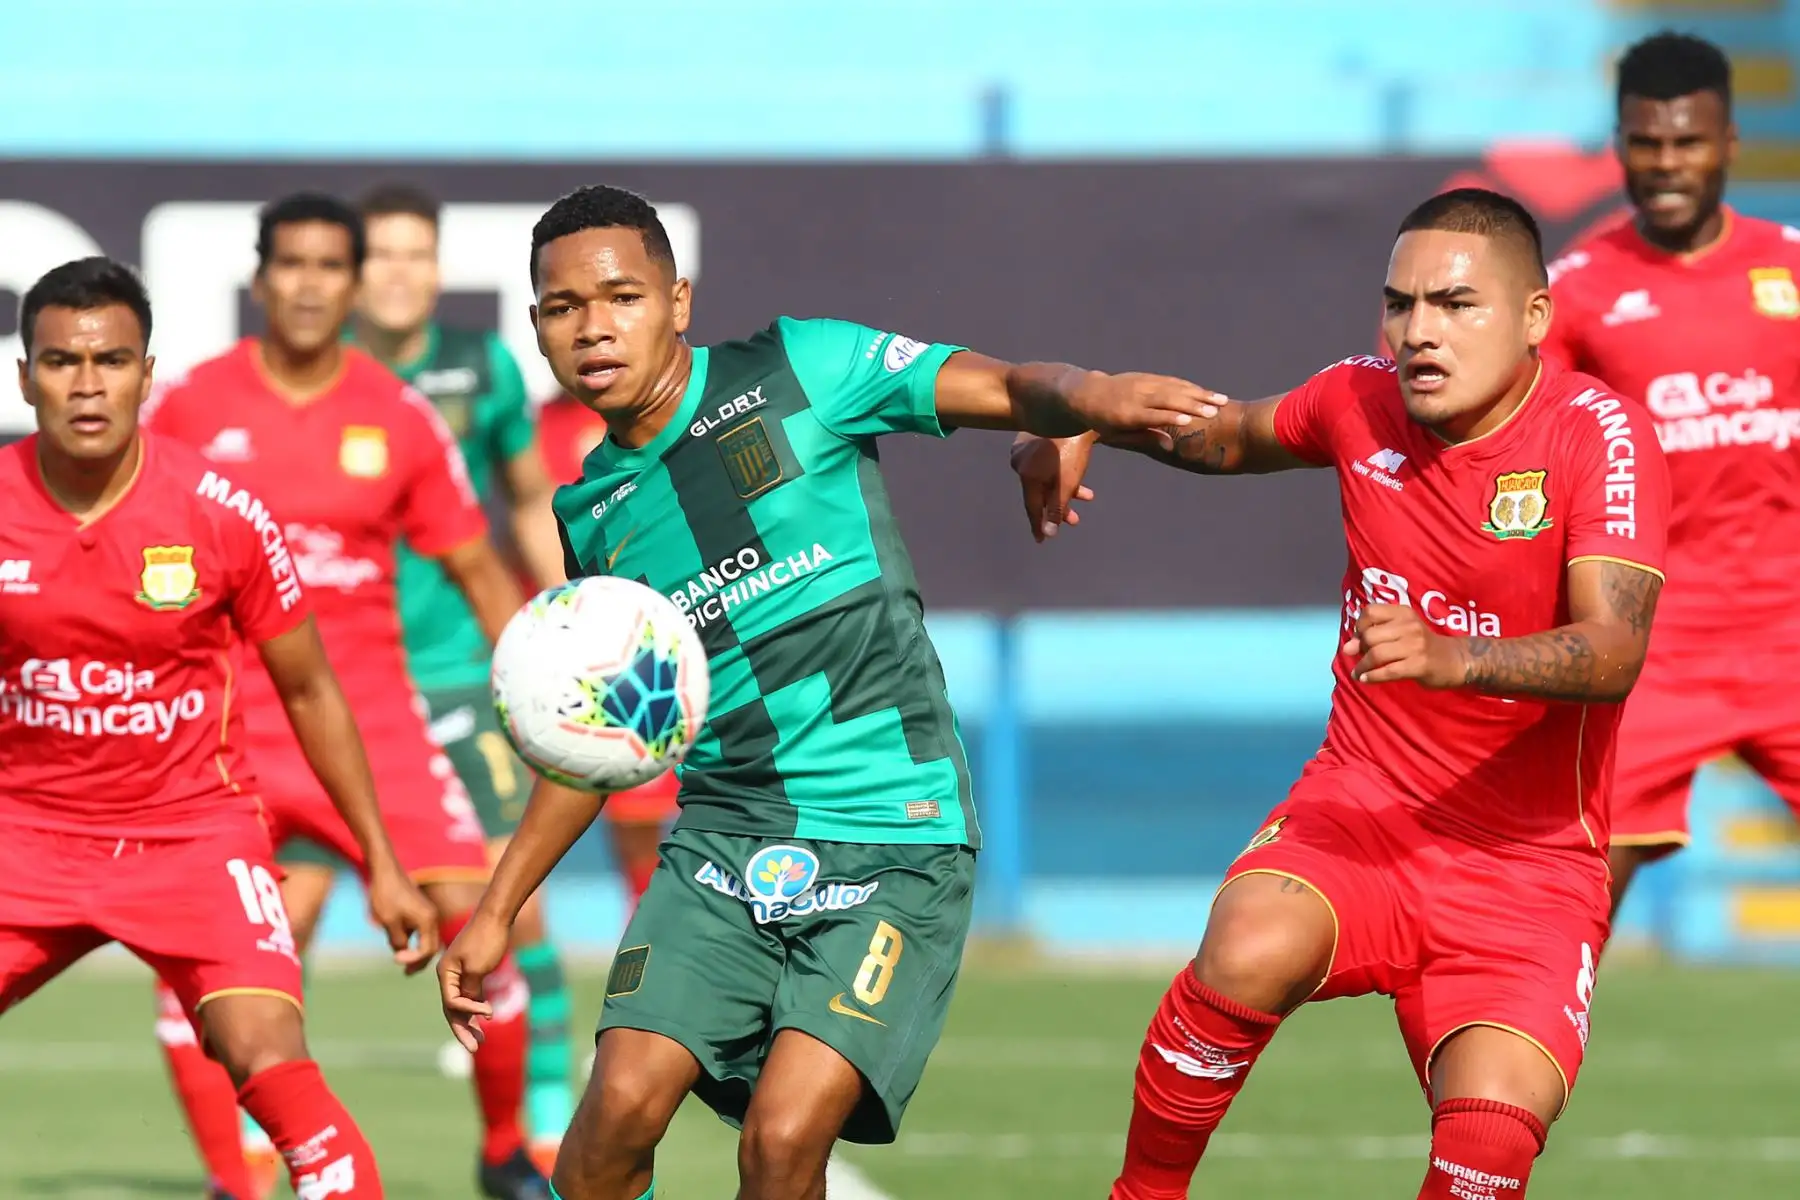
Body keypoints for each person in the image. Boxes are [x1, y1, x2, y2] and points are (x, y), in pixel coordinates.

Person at [431, 183, 1221, 1200]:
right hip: (724, 838)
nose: (593, 327)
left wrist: (1089, 404)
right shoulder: (594, 511)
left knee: (782, 1142)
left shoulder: (806, 367)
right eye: (561, 308)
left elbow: (1010, 383)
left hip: (896, 829)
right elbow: (610, 731)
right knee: (606, 1134)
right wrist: (499, 907)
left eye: (620, 296)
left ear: (678, 300)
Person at [1013, 188, 1670, 1199]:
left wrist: (1458, 659)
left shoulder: (1600, 437)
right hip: (1364, 810)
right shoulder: (1355, 399)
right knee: (1248, 942)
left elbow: (1614, 649)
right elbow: (1224, 434)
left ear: (1534, 317)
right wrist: (1082, 419)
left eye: (1456, 305)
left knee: (1491, 1139)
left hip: (1527, 865)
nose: (1419, 333)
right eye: (1400, 305)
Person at [0, 256, 441, 1200]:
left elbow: (314, 690)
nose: (87, 384)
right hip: (26, 839)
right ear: (24, 374)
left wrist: (381, 859)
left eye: (111, 361)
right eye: (61, 362)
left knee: (269, 1058)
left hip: (192, 837)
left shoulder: (218, 508)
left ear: (145, 375)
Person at [143, 192, 551, 1200]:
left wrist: (550, 684)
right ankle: (235, 1181)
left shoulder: (398, 415)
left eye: (332, 266)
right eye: (293, 265)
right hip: (234, 730)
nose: (312, 285)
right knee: (202, 963)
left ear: (353, 281)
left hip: (376, 717)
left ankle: (505, 1151)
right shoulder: (193, 407)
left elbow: (479, 570)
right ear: (260, 281)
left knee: (484, 918)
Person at [253, 178, 574, 1171]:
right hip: (328, 691)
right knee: (282, 916)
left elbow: (525, 506)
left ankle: (536, 1119)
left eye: (416, 255)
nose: (399, 274)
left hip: (460, 680)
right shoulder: (314, 378)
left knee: (510, 906)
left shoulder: (480, 370)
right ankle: (258, 1139)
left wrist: (558, 632)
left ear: (441, 270)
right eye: (379, 255)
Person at [1539, 32, 1800, 917]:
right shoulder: (1572, 291)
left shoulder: (1792, 269)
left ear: (1728, 143)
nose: (1666, 164)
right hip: (1654, 643)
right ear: (1618, 144)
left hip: (1790, 632)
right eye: (1645, 143)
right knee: (1569, 902)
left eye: (1687, 142)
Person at [536, 391, 679, 919]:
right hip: (567, 649)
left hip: (652, 640)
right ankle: (642, 925)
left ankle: (661, 926)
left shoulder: (657, 414)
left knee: (651, 813)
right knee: (616, 814)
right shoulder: (536, 428)